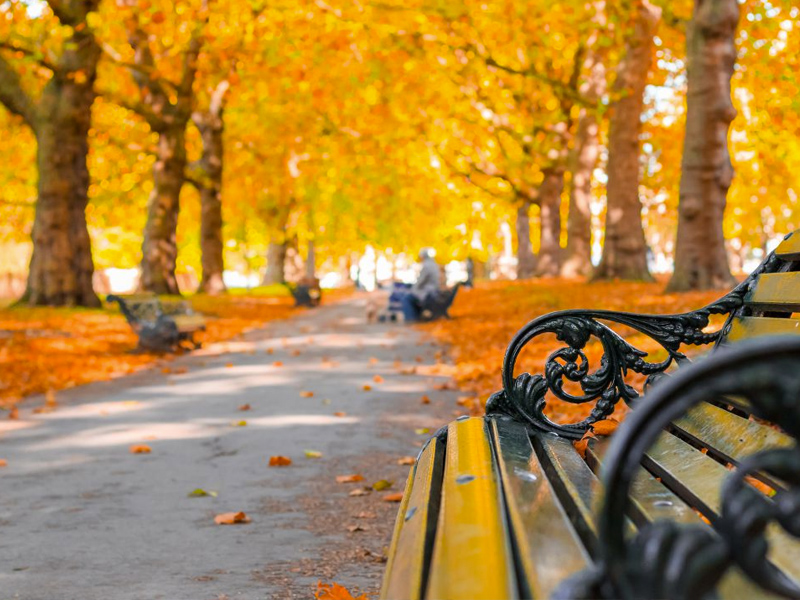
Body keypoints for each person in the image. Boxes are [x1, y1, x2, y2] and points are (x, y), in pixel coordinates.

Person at [401, 248, 440, 322]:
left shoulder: (427, 265)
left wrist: (412, 289)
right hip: (433, 292)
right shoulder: (434, 264)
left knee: (406, 298)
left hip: (427, 293)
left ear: (422, 256)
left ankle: (411, 320)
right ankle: (415, 318)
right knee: (411, 297)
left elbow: (420, 281)